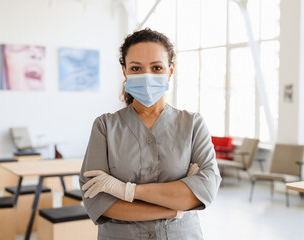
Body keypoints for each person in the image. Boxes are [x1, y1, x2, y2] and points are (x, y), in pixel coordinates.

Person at [79, 28, 221, 240]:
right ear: (125, 71)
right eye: (136, 68)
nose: (147, 76)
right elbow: (99, 202)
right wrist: (174, 208)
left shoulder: (192, 124)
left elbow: (205, 190)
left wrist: (125, 191)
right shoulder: (105, 126)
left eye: (156, 67)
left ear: (170, 71)